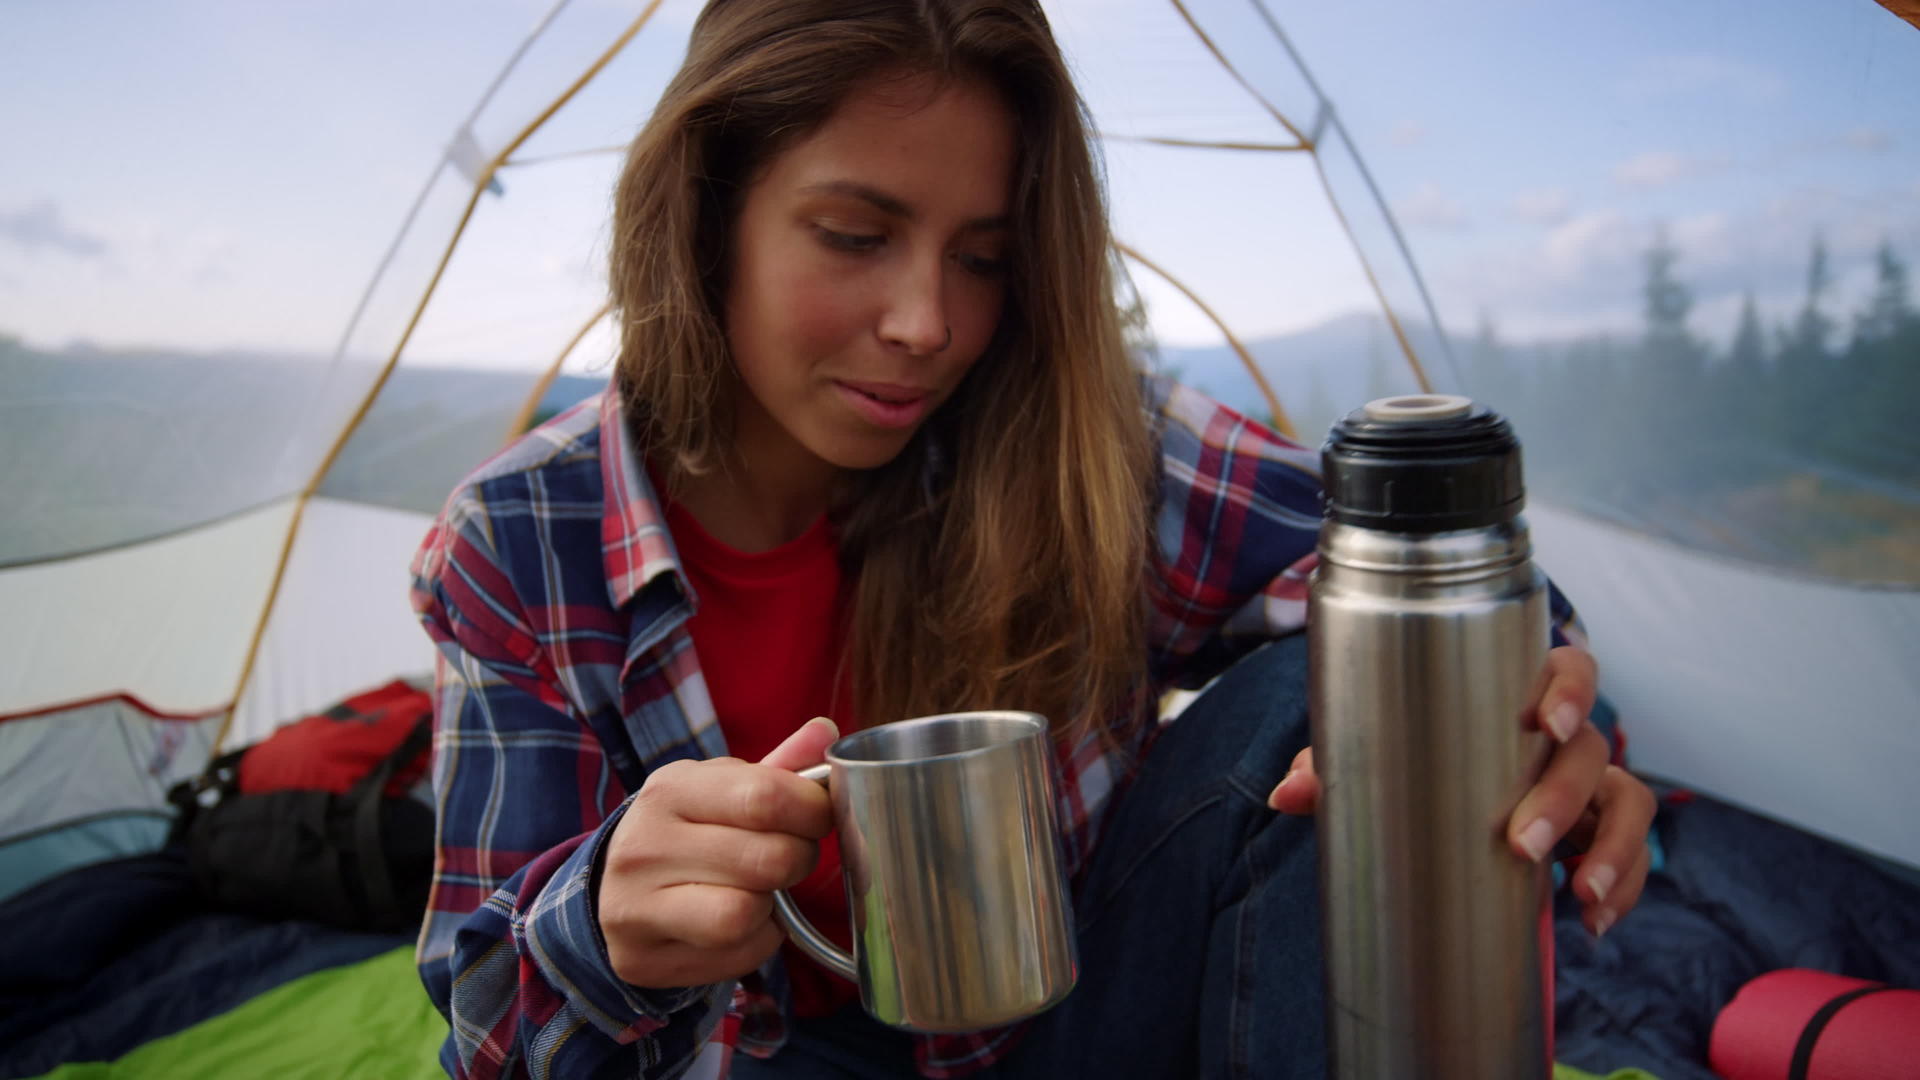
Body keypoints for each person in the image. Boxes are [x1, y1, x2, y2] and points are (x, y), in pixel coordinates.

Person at [408, 2, 1656, 1077]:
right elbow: (488, 1041)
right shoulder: (527, 541)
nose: (928, 324)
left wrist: (1523, 716)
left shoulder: (1079, 441)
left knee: (1326, 702)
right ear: (707, 213)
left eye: (986, 259)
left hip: (1072, 1030)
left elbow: (1415, 565)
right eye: (854, 235)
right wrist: (599, 930)